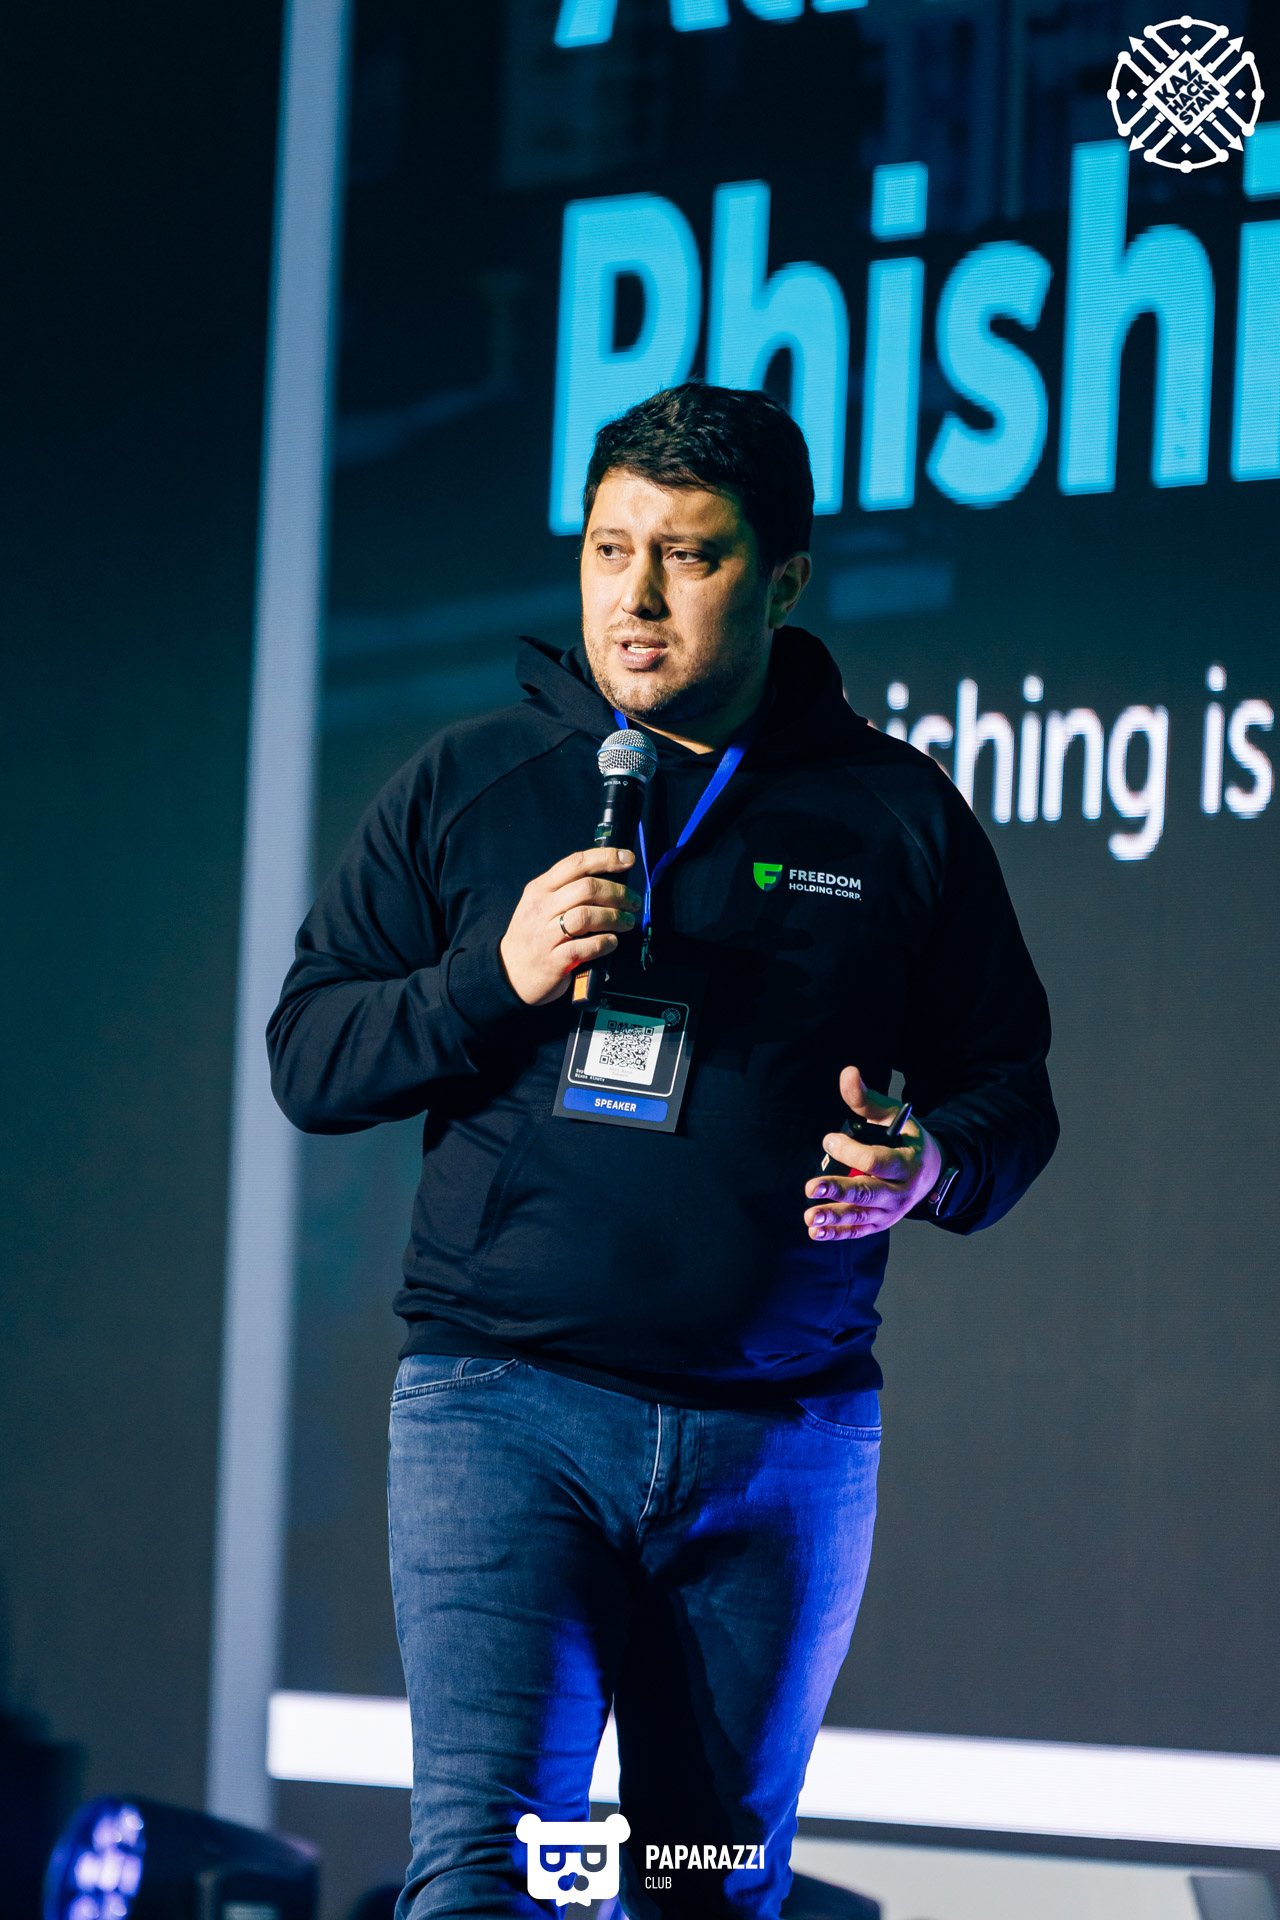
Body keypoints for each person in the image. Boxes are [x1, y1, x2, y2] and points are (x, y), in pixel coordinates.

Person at [267, 383, 1058, 1918]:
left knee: (706, 1883)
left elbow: (1009, 1094)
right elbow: (312, 1052)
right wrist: (488, 977)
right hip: (507, 1412)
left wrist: (929, 1169)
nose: (634, 598)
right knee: (483, 1871)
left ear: (782, 579)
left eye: (687, 557)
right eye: (609, 550)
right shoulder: (472, 784)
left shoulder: (896, 815)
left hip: (780, 1445)